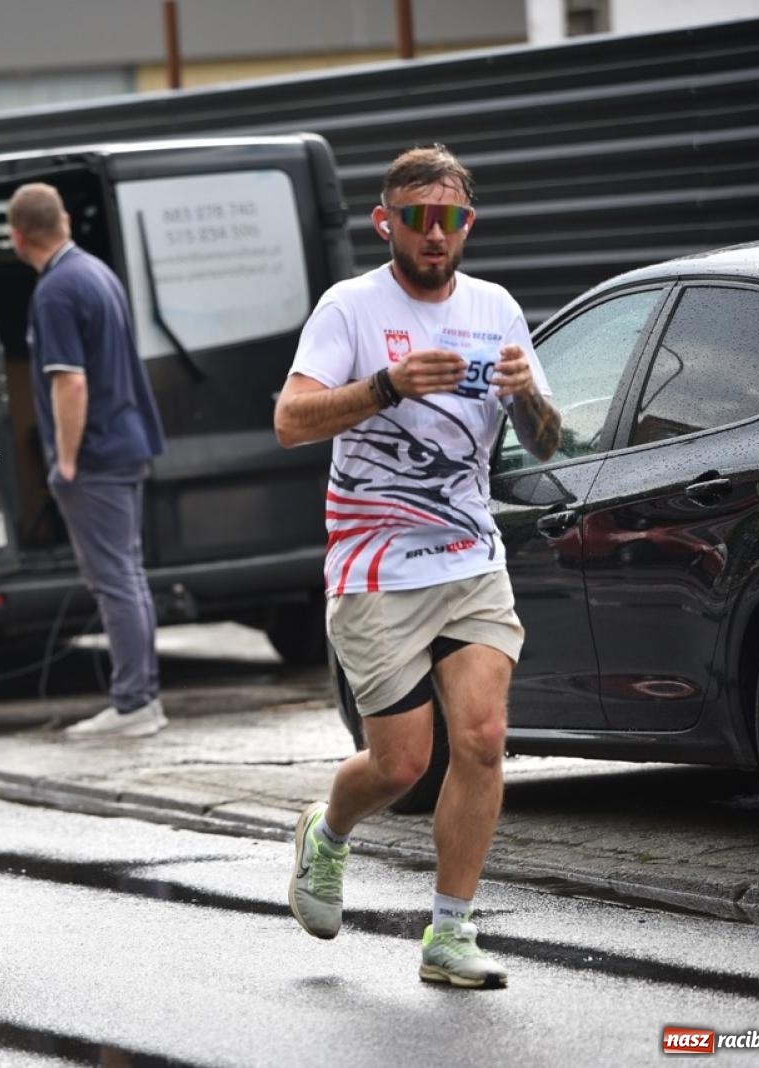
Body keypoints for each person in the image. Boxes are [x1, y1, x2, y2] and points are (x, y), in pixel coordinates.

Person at [273, 144, 560, 988]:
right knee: (399, 764)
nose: (436, 235)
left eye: (452, 219)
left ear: (469, 224)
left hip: (470, 556)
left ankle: (449, 933)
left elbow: (546, 442)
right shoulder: (349, 308)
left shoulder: (496, 307)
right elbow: (290, 421)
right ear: (386, 223)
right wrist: (385, 387)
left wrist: (527, 398)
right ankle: (327, 835)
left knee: (482, 738)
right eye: (418, 218)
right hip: (375, 563)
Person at [6, 183, 168, 739]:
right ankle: (139, 697)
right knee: (129, 574)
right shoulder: (97, 272)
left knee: (114, 579)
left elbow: (70, 382)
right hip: (126, 441)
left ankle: (134, 703)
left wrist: (66, 461)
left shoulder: (56, 290)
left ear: (17, 236)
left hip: (95, 453)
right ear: (66, 220)